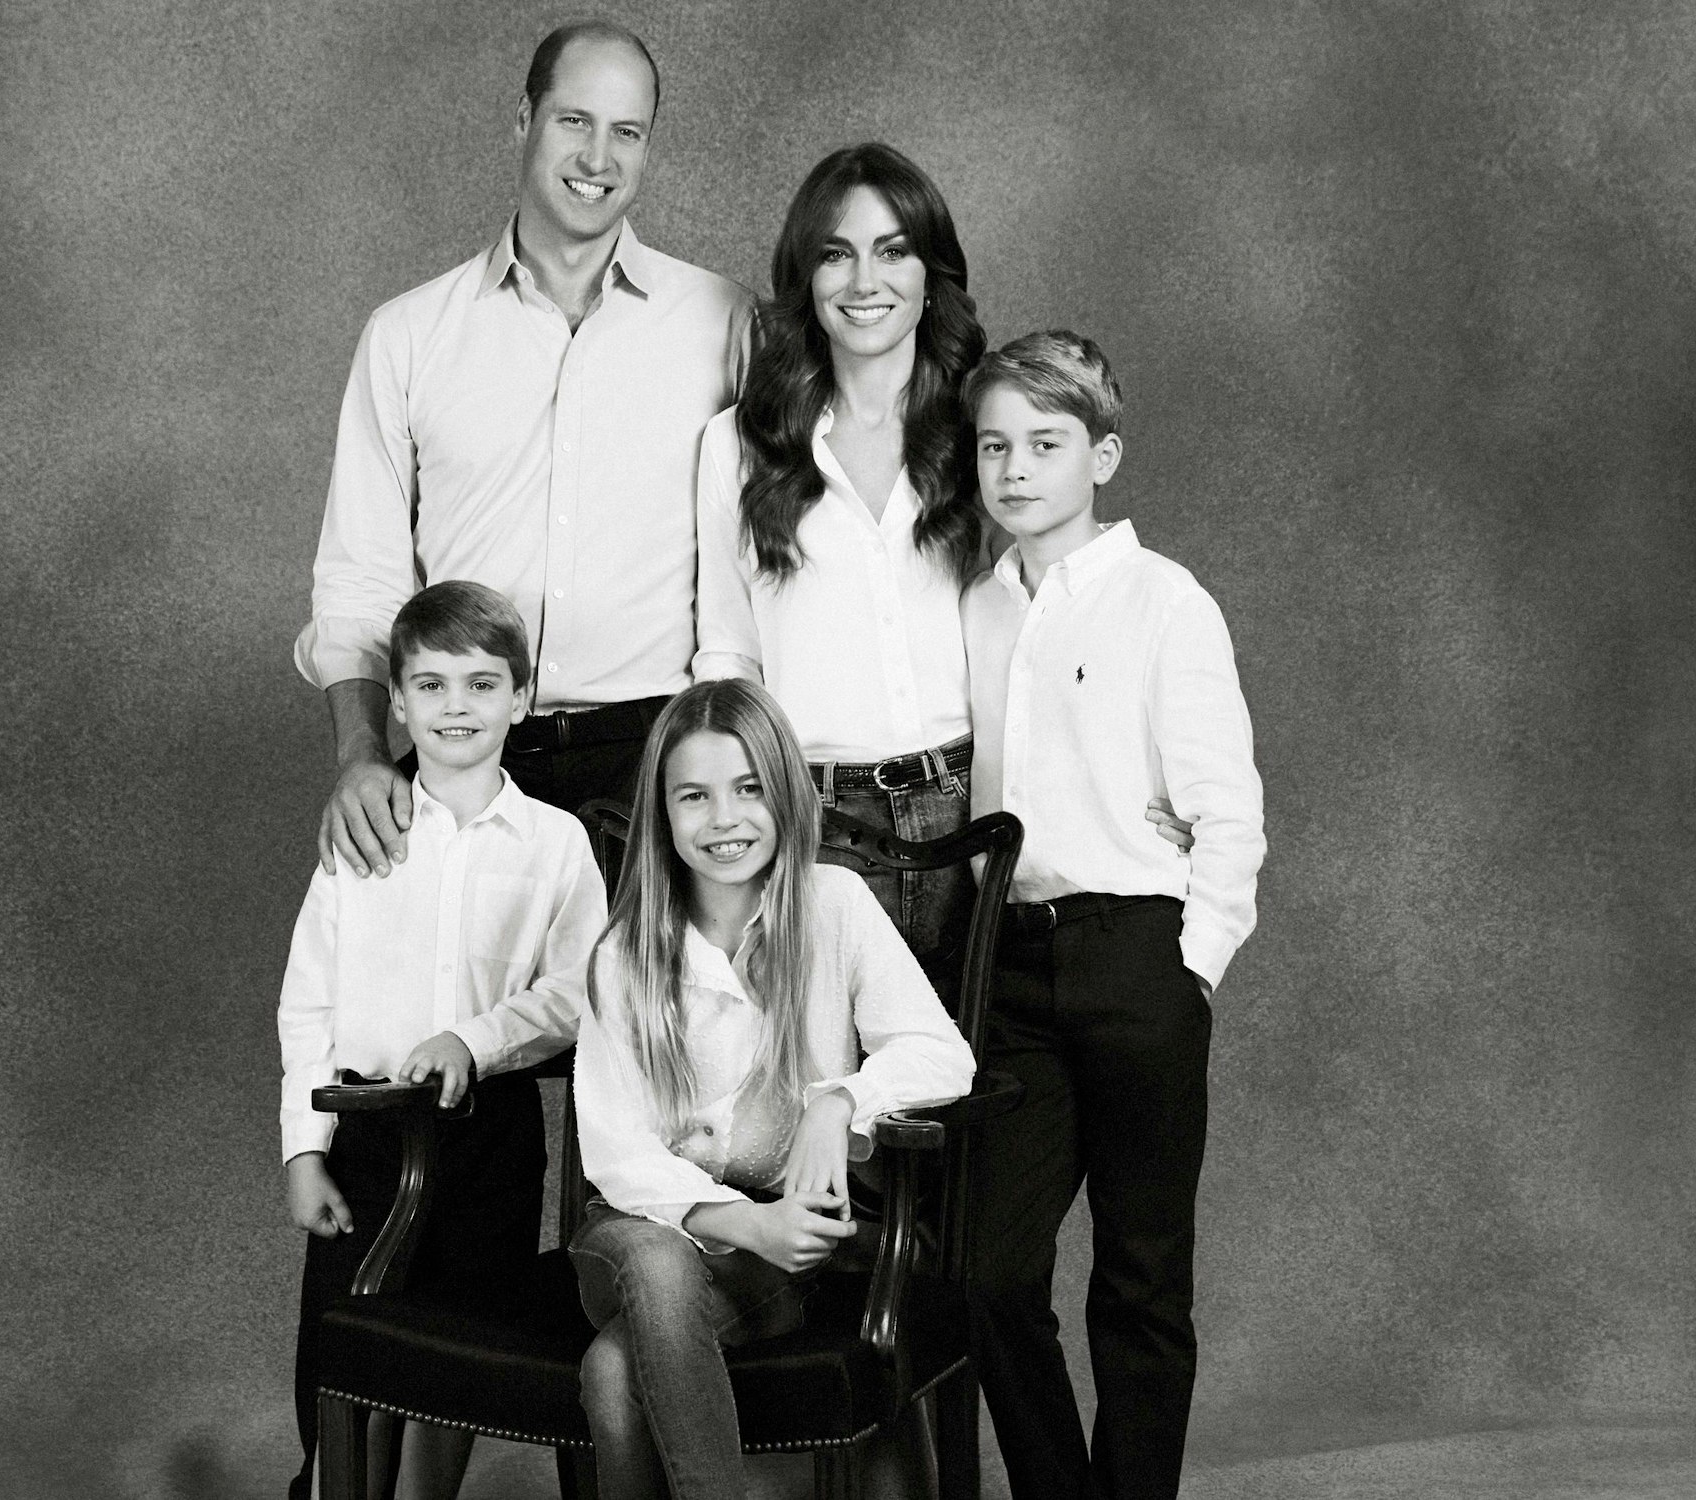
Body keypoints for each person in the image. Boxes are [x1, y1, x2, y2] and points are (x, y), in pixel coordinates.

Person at [694, 144, 1191, 960]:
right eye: (835, 254)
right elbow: (727, 652)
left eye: (893, 251)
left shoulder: (981, 434)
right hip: (809, 817)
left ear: (932, 277)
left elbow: (1062, 604)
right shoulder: (739, 445)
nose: (864, 281)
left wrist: (1148, 766)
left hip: (975, 810)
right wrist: (739, 806)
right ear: (804, 278)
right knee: (827, 1080)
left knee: (972, 1074)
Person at [300, 20, 751, 878]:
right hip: (465, 752)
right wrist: (360, 753)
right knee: (445, 1014)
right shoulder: (407, 336)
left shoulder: (724, 324)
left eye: (628, 132)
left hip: (655, 764)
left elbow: (774, 555)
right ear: (523, 121)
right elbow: (359, 576)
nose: (599, 157)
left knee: (648, 1015)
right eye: (574, 121)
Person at [957, 332, 1267, 1500]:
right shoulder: (977, 606)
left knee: (1137, 1282)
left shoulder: (1161, 600)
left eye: (1044, 443)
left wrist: (1187, 970)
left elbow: (1226, 812)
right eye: (993, 445)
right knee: (988, 1274)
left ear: (1102, 455)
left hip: (1136, 953)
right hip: (1012, 972)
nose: (1015, 469)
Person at [569, 677, 975, 1500]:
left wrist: (840, 1100)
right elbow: (617, 1152)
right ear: (663, 814)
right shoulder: (625, 953)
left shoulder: (835, 906)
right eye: (695, 796)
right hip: (634, 1230)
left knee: (614, 1377)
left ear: (785, 794)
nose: (724, 820)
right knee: (657, 1264)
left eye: (748, 789)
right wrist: (744, 1222)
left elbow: (942, 1054)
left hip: (778, 1253)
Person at [277, 580, 609, 1500]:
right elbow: (308, 1006)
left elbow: (581, 993)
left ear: (522, 697)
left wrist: (477, 1038)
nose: (456, 707)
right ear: (396, 701)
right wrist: (305, 1151)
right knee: (344, 1357)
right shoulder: (362, 834)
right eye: (430, 686)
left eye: (480, 683)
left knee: (461, 1361)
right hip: (369, 1133)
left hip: (490, 1136)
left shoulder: (555, 843)